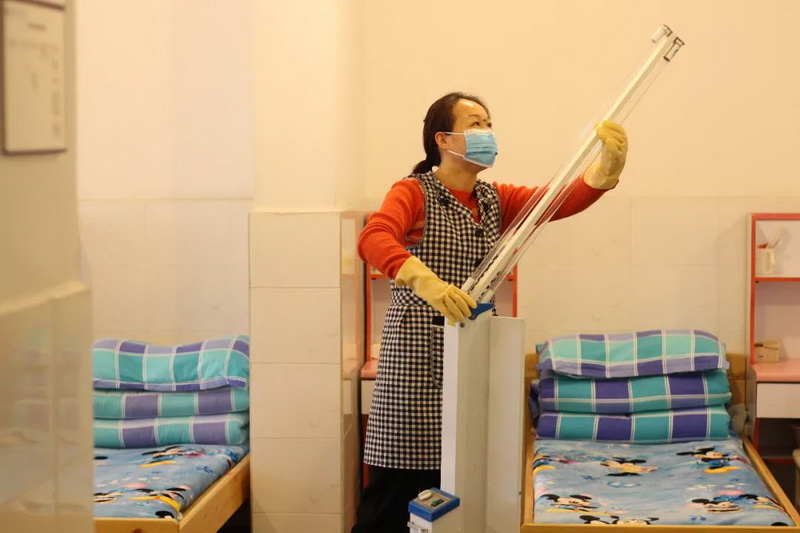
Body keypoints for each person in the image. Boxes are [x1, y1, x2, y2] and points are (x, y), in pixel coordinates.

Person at [352, 92, 627, 533]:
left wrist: (603, 173)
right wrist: (425, 280)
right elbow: (374, 237)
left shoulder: (494, 198)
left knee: (460, 486)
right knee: (396, 494)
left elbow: (555, 201)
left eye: (489, 123)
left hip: (473, 353)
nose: (487, 132)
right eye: (475, 123)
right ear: (443, 139)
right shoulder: (413, 191)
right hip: (415, 362)